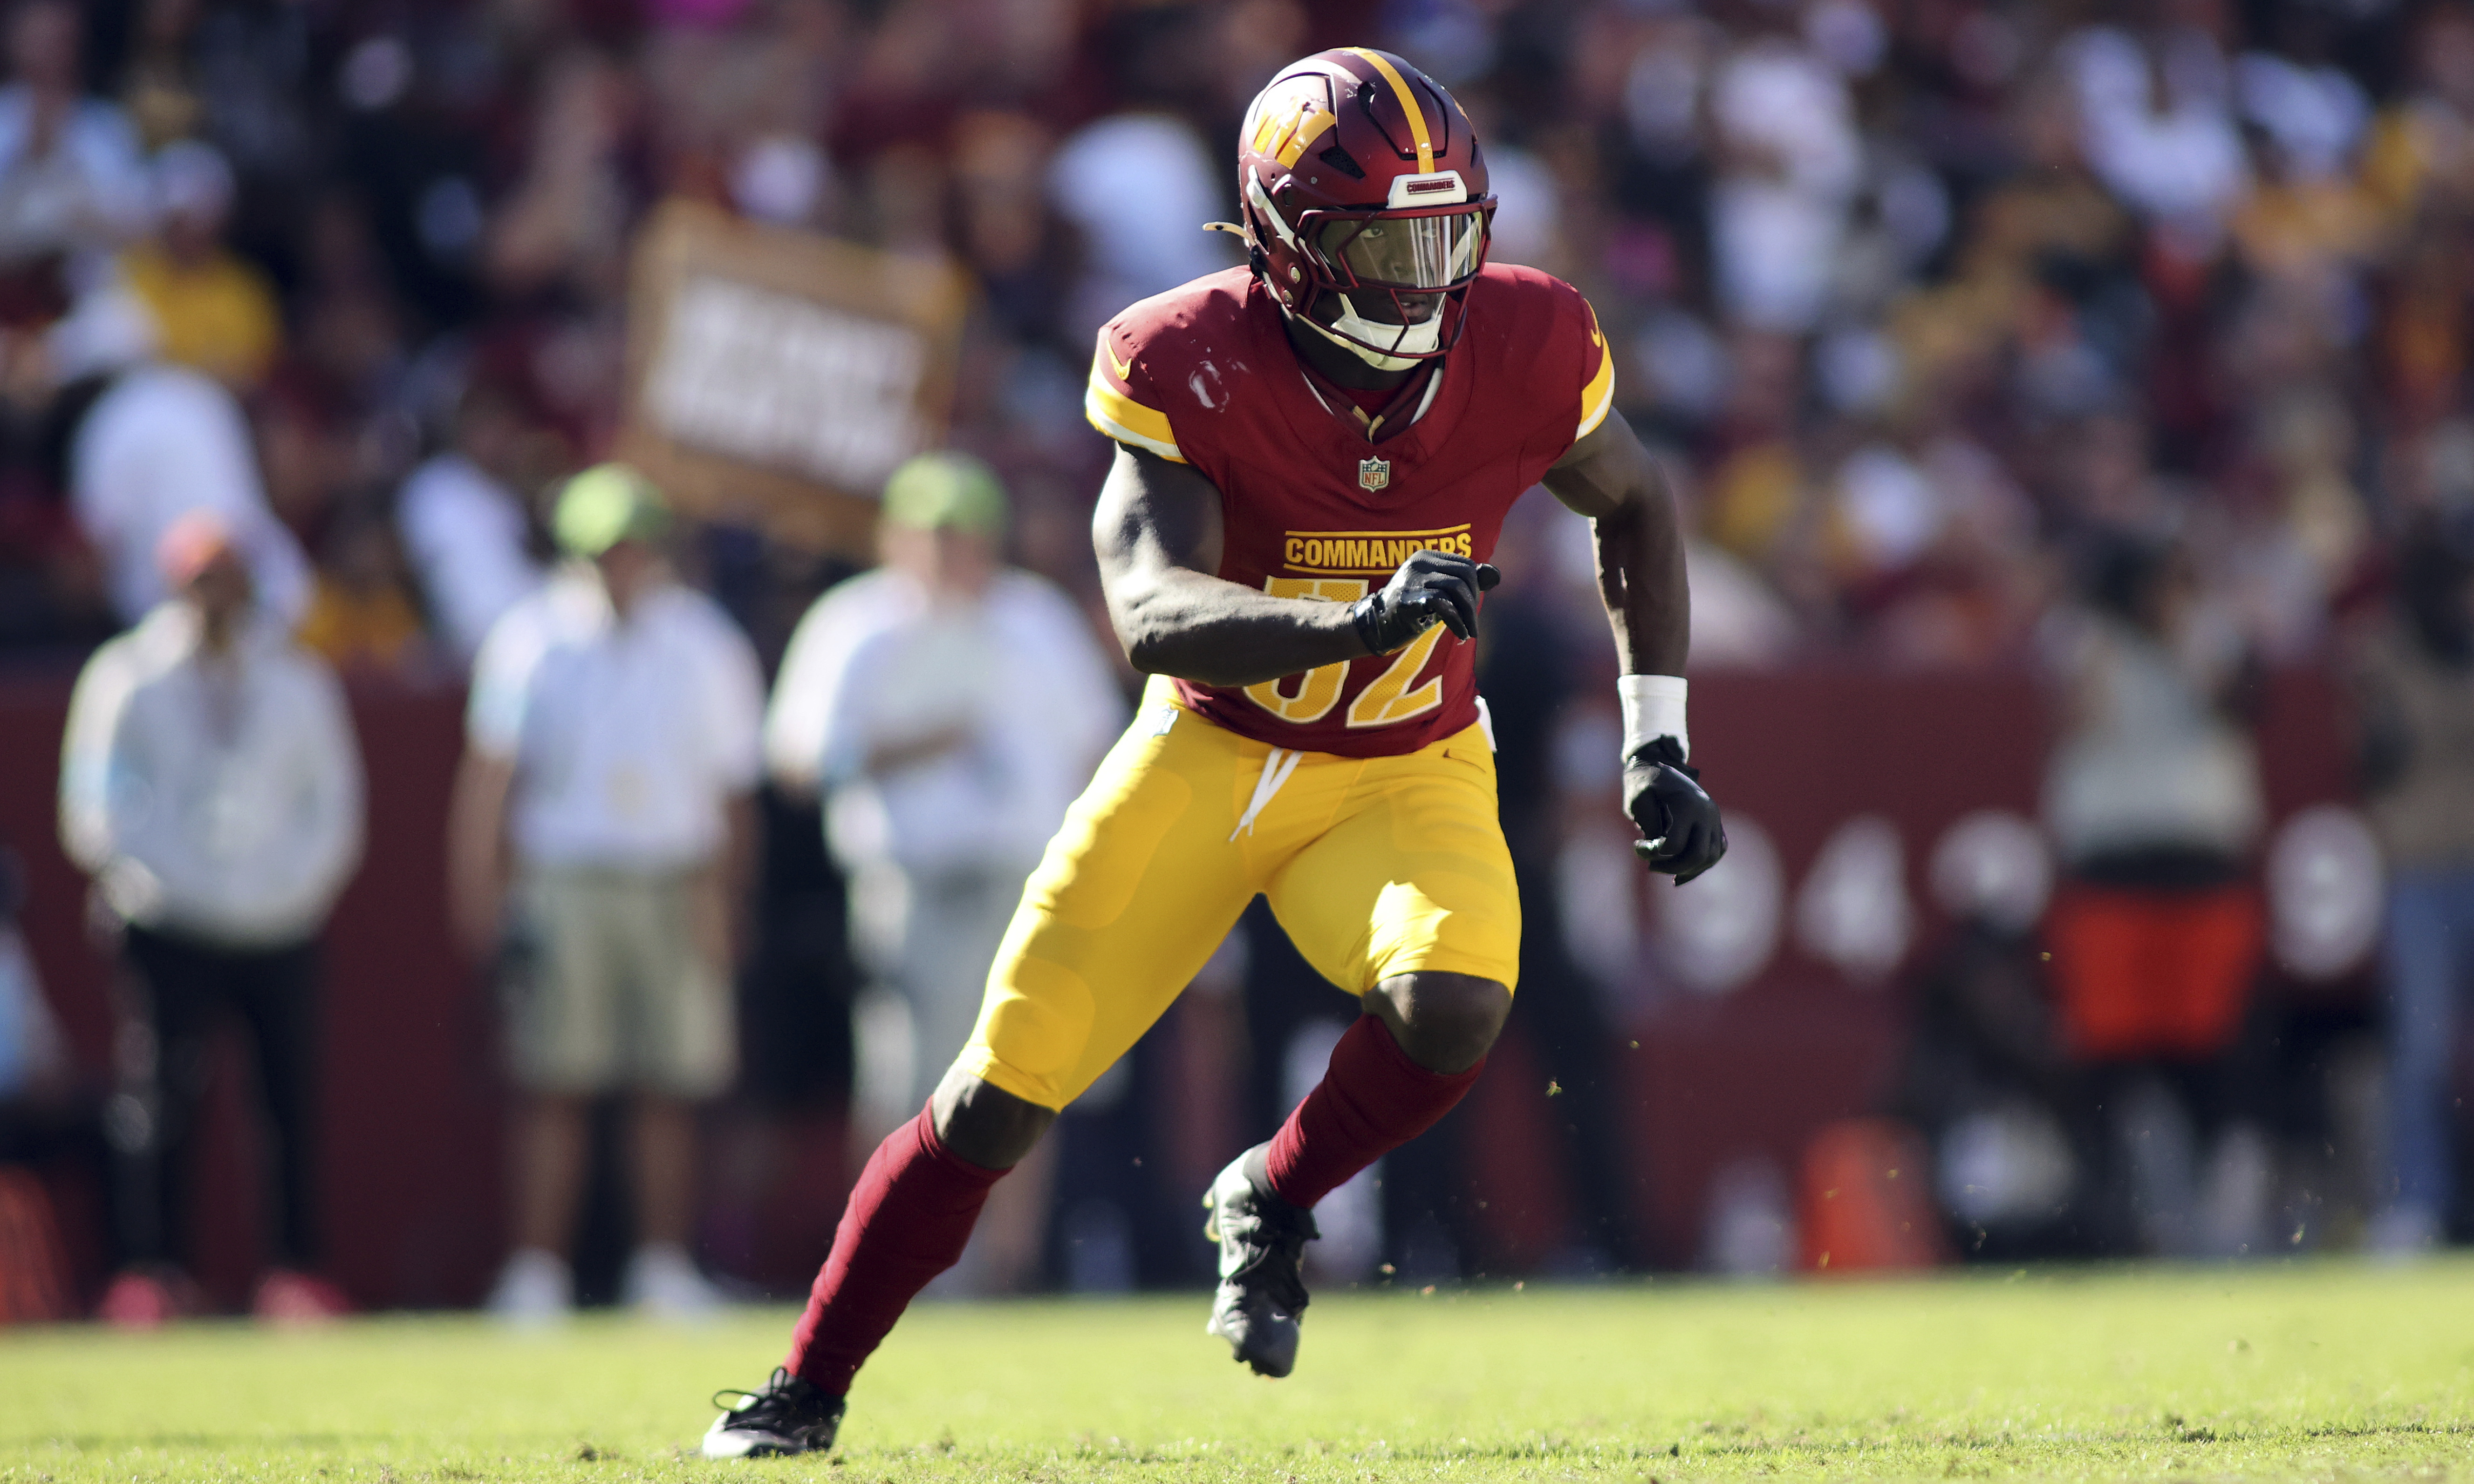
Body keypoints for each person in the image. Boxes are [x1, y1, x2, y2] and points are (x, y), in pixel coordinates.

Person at [703, 48, 1726, 1457]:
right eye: (1386, 240)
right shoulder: (1183, 350)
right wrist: (1348, 616)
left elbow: (1635, 504)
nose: (1425, 276)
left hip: (1402, 764)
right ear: (1289, 239)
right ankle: (805, 1384)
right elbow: (1150, 614)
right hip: (1208, 756)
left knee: (1457, 1003)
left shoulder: (1531, 337)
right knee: (998, 1093)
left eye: (1449, 234)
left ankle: (1278, 1195)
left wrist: (1653, 740)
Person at [764, 451, 1123, 1291]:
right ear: (895, 537)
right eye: (931, 534)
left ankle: (1005, 1267)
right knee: (904, 1077)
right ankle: (893, 1266)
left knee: (1022, 1072)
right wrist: (917, 742)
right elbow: (793, 759)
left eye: (962, 535)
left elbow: (1095, 742)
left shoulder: (1036, 618)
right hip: (908, 883)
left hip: (1026, 881)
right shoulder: (854, 623)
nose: (948, 552)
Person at [451, 464, 764, 1324]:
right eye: (604, 552)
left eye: (634, 550)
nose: (621, 568)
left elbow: (734, 790)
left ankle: (662, 1270)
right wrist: (481, 895)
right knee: (556, 1080)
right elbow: (492, 777)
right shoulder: (531, 638)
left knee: (670, 1083)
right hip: (567, 877)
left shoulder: (705, 641)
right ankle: (536, 1274)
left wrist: (726, 899)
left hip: (674, 876)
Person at [56, 510, 364, 1323]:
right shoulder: (129, 676)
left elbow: (331, 803)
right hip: (166, 918)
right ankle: (153, 1270)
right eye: (202, 581)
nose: (218, 599)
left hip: (278, 921)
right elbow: (96, 800)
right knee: (158, 1096)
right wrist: (160, 881)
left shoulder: (296, 678)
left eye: (229, 580)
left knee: (287, 1101)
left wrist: (287, 887)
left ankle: (296, 1269)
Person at [2353, 509, 2474, 1254]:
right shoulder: (2384, 657)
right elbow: (2376, 761)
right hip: (2421, 865)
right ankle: (2417, 1200)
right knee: (2421, 1047)